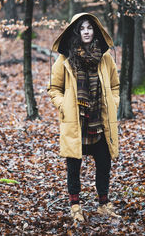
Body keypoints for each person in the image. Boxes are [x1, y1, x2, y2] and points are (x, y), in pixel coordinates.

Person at [48, 13, 120, 222]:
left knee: (104, 164)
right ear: (76, 32)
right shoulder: (65, 59)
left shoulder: (105, 58)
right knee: (73, 166)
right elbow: (54, 89)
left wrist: (113, 103)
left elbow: (115, 85)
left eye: (90, 28)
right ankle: (75, 207)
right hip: (76, 121)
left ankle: (103, 204)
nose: (87, 32)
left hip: (100, 121)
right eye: (82, 28)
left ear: (94, 31)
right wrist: (64, 106)